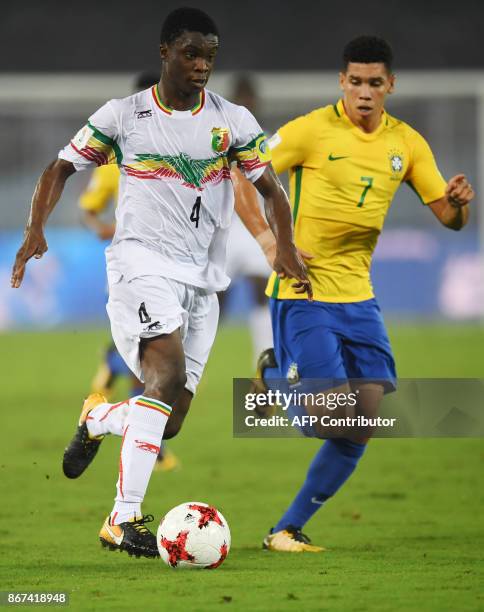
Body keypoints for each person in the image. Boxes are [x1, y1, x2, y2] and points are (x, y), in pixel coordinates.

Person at [11, 7, 310, 559]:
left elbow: (271, 190)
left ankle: (99, 417)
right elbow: (60, 168)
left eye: (210, 56)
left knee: (168, 422)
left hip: (203, 282)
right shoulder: (124, 116)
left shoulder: (231, 121)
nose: (202, 66)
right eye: (192, 54)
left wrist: (284, 246)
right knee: (165, 372)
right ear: (166, 52)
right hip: (139, 266)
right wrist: (34, 228)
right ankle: (122, 521)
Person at [242, 36, 474, 552]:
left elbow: (450, 219)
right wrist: (269, 243)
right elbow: (242, 175)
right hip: (303, 291)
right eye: (355, 81)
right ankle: (278, 376)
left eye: (374, 83)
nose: (364, 92)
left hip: (360, 299)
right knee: (330, 421)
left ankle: (286, 529)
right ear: (341, 82)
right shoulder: (310, 131)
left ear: (390, 85)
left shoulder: (407, 144)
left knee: (363, 424)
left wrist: (459, 205)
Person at [80, 71, 180, 473]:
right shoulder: (114, 159)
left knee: (161, 354)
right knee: (156, 359)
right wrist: (106, 228)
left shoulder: (184, 153)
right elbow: (88, 209)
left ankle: (110, 366)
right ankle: (152, 446)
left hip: (174, 266)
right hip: (132, 267)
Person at [221, 75, 275, 364]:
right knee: (216, 300)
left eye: (250, 100)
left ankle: (263, 361)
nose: (247, 105)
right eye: (241, 100)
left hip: (254, 228)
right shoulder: (217, 139)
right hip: (224, 229)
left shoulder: (266, 139)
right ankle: (191, 363)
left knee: (261, 290)